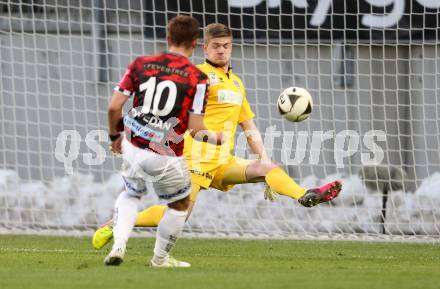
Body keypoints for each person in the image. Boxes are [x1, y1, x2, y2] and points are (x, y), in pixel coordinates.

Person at [95, 23, 341, 250]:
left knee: (269, 168)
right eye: (216, 46)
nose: (222, 51)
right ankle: (118, 222)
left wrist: (262, 159)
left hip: (224, 161)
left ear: (231, 47)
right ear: (205, 47)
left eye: (226, 46)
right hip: (195, 159)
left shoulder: (236, 83)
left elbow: (249, 126)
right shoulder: (197, 75)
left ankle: (305, 195)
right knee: (180, 213)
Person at [104, 15, 223, 268]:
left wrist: (115, 137)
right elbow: (196, 129)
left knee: (129, 193)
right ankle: (160, 259)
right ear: (194, 44)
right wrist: (217, 138)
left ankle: (118, 245)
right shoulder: (197, 78)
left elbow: (114, 107)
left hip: (132, 144)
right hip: (165, 153)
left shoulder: (141, 64)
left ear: (168, 38)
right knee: (180, 204)